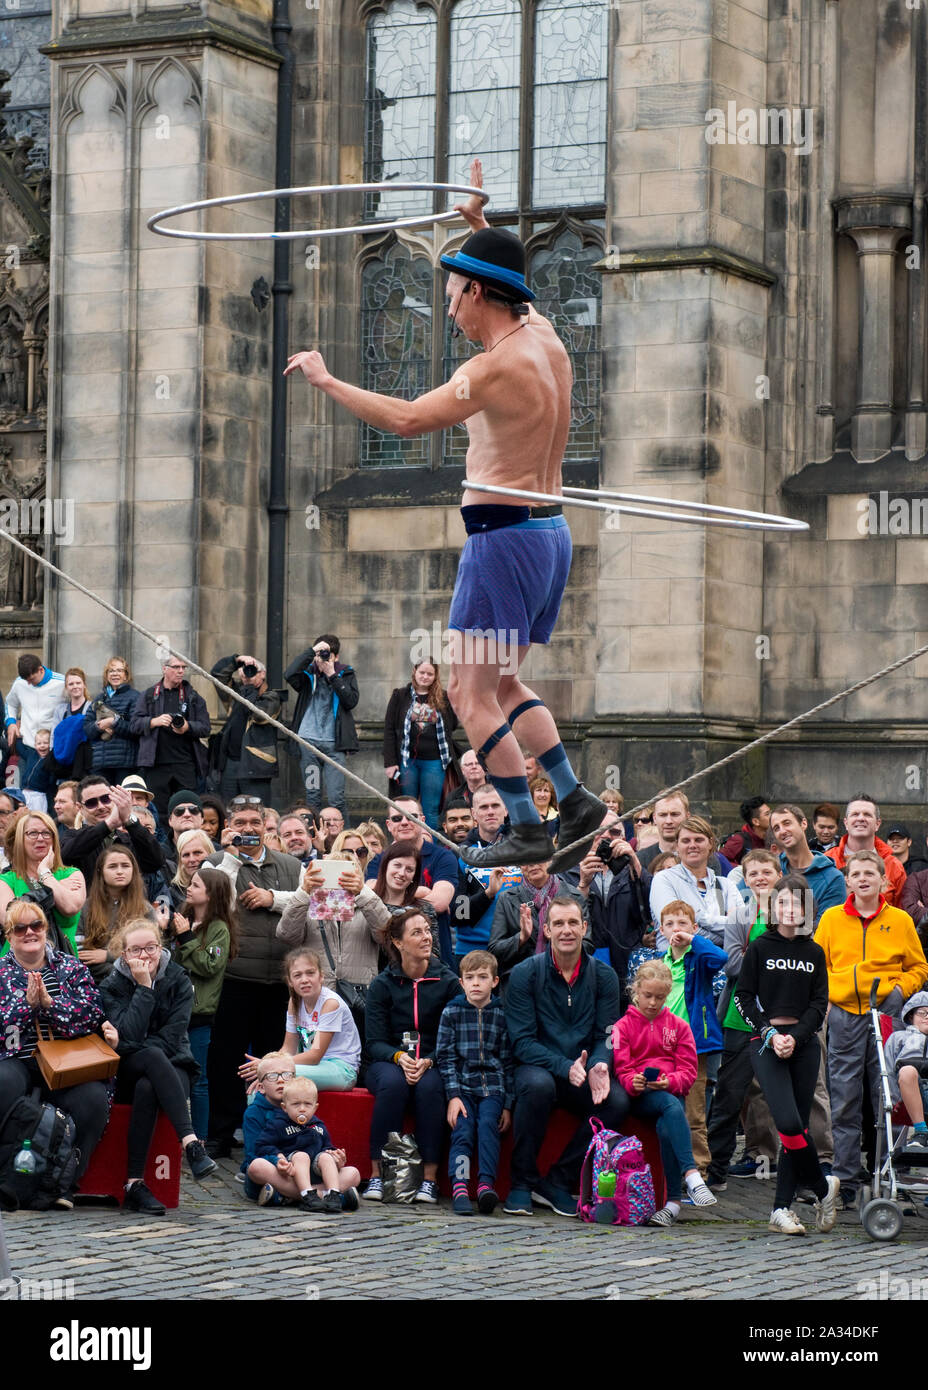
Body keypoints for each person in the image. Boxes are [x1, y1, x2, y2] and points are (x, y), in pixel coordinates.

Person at [285, 161, 608, 873]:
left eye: (455, 291)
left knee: (466, 689)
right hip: (548, 536)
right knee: (502, 683)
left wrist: (327, 378)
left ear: (478, 293)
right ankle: (575, 798)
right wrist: (481, 230)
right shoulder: (544, 338)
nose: (450, 305)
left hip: (504, 541)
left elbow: (405, 421)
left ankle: (526, 824)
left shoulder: (493, 368)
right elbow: (512, 283)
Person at [815, 848, 928, 1208]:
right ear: (847, 880)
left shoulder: (899, 920)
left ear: (883, 879)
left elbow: (919, 967)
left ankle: (888, 1172)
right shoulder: (831, 918)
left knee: (888, 1096)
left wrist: (899, 991)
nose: (863, 879)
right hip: (845, 1014)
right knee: (845, 1097)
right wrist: (830, 999)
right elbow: (818, 966)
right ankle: (846, 1177)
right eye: (856, 873)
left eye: (870, 873)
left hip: (887, 1014)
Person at [503, 896, 629, 1216]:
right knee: (537, 1086)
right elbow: (521, 1042)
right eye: (558, 923)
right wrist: (564, 1066)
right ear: (545, 930)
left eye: (573, 923)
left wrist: (601, 1063)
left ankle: (558, 1181)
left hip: (584, 1071)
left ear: (585, 927)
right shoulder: (524, 974)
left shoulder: (604, 976)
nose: (566, 930)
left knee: (616, 1101)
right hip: (539, 1067)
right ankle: (521, 1181)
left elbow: (608, 1034)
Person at [735, 874, 840, 1235]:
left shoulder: (814, 952)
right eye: (783, 902)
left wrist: (795, 1036)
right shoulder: (760, 947)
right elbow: (743, 996)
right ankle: (824, 1189)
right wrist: (769, 1033)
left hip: (805, 1044)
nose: (789, 909)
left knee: (798, 1126)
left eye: (797, 903)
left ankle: (781, 1209)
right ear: (772, 907)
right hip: (765, 1043)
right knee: (789, 1124)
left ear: (807, 909)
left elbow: (819, 1002)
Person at [203, 795, 301, 1156]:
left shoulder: (291, 865)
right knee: (226, 1059)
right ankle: (221, 1133)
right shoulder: (218, 862)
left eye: (254, 822)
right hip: (235, 976)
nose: (248, 829)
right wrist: (229, 857)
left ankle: (275, 1132)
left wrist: (272, 898)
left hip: (279, 981)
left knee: (274, 1061)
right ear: (230, 826)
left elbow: (309, 899)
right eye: (240, 823)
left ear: (265, 825)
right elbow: (214, 903)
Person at [100, 918, 218, 1213]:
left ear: (161, 947)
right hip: (127, 1068)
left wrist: (128, 1041)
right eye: (135, 950)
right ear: (124, 954)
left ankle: (134, 1184)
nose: (144, 956)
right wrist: (144, 988)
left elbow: (171, 1039)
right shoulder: (111, 985)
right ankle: (191, 1143)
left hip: (174, 1065)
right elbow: (123, 1037)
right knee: (149, 1061)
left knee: (149, 1084)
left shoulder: (179, 979)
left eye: (150, 947)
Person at [0, 897, 111, 1204]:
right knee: (3, 1083)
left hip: (67, 1060)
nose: (29, 932)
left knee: (93, 1099)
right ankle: (6, 1176)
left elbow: (91, 1014)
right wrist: (26, 1005)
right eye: (19, 928)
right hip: (15, 1058)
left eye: (36, 925)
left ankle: (61, 1185)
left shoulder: (71, 967)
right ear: (9, 936)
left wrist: (50, 1005)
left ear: (46, 929)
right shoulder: (1, 973)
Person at [363, 908, 462, 1203]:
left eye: (427, 931)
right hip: (388, 1061)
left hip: (433, 1059)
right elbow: (374, 1042)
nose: (426, 937)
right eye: (416, 932)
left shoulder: (448, 982)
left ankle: (429, 1179)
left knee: (431, 1087)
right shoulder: (382, 984)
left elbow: (454, 1035)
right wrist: (399, 1058)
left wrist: (429, 1059)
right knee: (393, 1085)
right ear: (398, 942)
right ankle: (377, 1175)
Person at [612, 959, 716, 1227]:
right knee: (671, 1106)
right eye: (648, 996)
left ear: (668, 995)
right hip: (641, 1098)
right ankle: (690, 1177)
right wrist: (632, 1082)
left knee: (668, 1120)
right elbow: (622, 1068)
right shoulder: (623, 1026)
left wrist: (668, 1082)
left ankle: (671, 1204)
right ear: (636, 990)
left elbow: (689, 1072)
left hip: (669, 1094)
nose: (653, 1003)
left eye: (660, 997)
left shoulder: (679, 1026)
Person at [436, 949, 514, 1215]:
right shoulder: (452, 1012)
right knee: (463, 1131)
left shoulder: (502, 1013)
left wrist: (508, 1103)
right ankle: (460, 1185)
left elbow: (508, 1060)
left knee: (488, 1128)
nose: (476, 983)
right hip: (463, 1087)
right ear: (461, 982)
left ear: (495, 981)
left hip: (493, 1088)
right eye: (470, 978)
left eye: (483, 977)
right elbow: (444, 1057)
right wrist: (453, 1096)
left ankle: (485, 1185)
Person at [659, 899, 727, 1176]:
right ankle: (669, 1163)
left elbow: (721, 959)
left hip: (693, 1046)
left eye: (683, 923)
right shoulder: (660, 964)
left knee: (695, 1110)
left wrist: (693, 940)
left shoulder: (699, 959)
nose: (677, 929)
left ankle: (698, 1168)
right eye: (670, 924)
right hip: (664, 1045)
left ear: (694, 928)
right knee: (668, 1105)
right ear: (661, 930)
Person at [170, 866, 238, 1139]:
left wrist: (186, 938)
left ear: (211, 895)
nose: (189, 887)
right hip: (174, 1010)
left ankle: (199, 1137)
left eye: (196, 885)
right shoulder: (183, 920)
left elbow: (210, 965)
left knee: (198, 1079)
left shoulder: (219, 928)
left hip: (198, 1014)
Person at [276, 855, 389, 1004]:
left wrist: (363, 892)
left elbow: (387, 935)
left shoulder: (367, 904)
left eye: (346, 875)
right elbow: (286, 935)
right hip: (316, 995)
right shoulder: (307, 905)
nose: (338, 882)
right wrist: (304, 892)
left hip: (359, 996)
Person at [365, 796, 457, 962]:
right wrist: (419, 892)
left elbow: (439, 902)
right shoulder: (377, 861)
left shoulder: (443, 857)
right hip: (384, 965)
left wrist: (394, 895)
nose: (404, 822)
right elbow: (371, 898)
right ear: (389, 825)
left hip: (433, 963)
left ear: (422, 821)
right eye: (397, 818)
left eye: (412, 816)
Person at [252, 1075, 360, 1213]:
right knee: (298, 1157)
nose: (302, 1109)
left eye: (307, 1104)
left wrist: (335, 1156)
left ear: (315, 1107)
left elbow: (327, 1147)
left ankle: (333, 1195)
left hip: (316, 1174)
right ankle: (309, 1195)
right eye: (296, 1104)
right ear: (285, 1107)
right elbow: (262, 1145)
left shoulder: (319, 1126)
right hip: (291, 1173)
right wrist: (279, 1158)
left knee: (353, 1173)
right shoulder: (278, 1124)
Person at [575, 819, 652, 1007]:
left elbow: (652, 909)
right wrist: (583, 884)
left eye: (614, 833)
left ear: (624, 839)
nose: (606, 838)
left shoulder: (634, 869)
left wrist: (635, 863)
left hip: (628, 961)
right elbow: (566, 914)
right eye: (599, 833)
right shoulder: (570, 870)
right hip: (587, 960)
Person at [650, 816, 753, 947]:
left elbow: (742, 928)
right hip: (678, 962)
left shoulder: (726, 885)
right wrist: (724, 936)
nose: (692, 845)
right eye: (686, 841)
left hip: (720, 963)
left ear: (710, 843)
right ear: (677, 846)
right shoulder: (664, 879)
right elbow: (676, 930)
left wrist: (700, 918)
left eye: (698, 840)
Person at [284, 635, 358, 817]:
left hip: (335, 745)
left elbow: (351, 701)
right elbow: (289, 674)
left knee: (336, 798)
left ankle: (343, 839)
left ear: (336, 657)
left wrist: (332, 674)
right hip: (308, 744)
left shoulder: (346, 673)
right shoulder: (308, 675)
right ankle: (314, 837)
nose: (324, 659)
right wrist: (312, 652)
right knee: (313, 795)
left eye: (328, 655)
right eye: (321, 654)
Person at [269, 946, 362, 1091]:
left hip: (341, 1069)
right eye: (297, 975)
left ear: (321, 976)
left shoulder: (330, 1004)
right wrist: (268, 1062)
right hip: (312, 1066)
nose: (304, 980)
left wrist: (272, 1065)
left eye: (310, 973)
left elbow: (314, 1055)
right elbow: (289, 1048)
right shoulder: (294, 1003)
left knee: (277, 1075)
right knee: (262, 1080)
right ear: (290, 982)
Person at [488, 858, 585, 993]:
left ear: (551, 860)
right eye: (525, 860)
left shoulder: (574, 896)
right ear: (520, 867)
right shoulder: (507, 898)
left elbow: (587, 945)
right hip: (520, 983)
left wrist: (560, 939)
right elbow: (494, 951)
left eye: (538, 858)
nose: (532, 864)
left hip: (566, 982)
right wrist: (521, 938)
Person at [383, 659, 459, 831]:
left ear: (435, 676)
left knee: (430, 808)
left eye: (430, 674)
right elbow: (389, 729)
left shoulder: (443, 697)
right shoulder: (400, 695)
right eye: (422, 672)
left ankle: (429, 844)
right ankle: (406, 841)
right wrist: (389, 762)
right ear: (414, 672)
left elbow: (452, 724)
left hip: (434, 761)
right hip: (406, 761)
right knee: (406, 808)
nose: (425, 677)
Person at [130, 658, 210, 817]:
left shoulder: (192, 696)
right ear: (164, 669)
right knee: (158, 812)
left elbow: (205, 727)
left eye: (183, 667)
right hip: (156, 764)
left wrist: (188, 727)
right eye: (176, 667)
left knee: (188, 810)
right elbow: (133, 725)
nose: (181, 671)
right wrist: (153, 721)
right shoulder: (149, 695)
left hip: (185, 763)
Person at [0, 810, 86, 953]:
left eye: (46, 833)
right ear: (20, 840)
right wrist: (49, 891)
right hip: (17, 966)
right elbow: (12, 919)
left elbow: (70, 907)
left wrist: (45, 873)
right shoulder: (6, 880)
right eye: (32, 833)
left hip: (63, 966)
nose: (40, 838)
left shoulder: (72, 874)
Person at [61, 776, 166, 886]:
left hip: (129, 902)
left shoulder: (128, 838)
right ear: (80, 808)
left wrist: (130, 821)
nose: (101, 806)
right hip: (91, 902)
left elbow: (157, 861)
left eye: (106, 799)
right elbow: (66, 855)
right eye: (91, 803)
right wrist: (108, 825)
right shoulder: (71, 837)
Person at [76, 846, 154, 984]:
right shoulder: (86, 907)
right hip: (96, 984)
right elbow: (83, 954)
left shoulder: (145, 909)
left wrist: (108, 956)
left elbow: (153, 954)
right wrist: (115, 971)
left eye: (125, 866)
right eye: (112, 866)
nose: (119, 871)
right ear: (101, 872)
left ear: (133, 870)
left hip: (136, 983)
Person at [210, 653, 281, 801]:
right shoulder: (237, 692)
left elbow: (257, 715)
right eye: (245, 670)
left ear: (262, 674)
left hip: (255, 766)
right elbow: (217, 674)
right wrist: (237, 660)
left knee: (256, 810)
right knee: (228, 809)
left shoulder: (272, 697)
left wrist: (248, 686)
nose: (247, 674)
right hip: (230, 763)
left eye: (253, 671)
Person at [768, 804, 848, 925]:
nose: (782, 831)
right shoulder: (769, 870)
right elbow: (757, 917)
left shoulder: (832, 878)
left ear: (803, 823)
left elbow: (824, 930)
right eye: (776, 828)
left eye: (787, 823)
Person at [825, 794, 907, 907]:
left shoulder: (894, 866)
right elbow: (809, 906)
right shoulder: (826, 861)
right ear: (846, 823)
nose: (860, 818)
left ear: (877, 824)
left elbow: (902, 913)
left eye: (867, 814)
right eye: (855, 814)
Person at [240, 1050, 295, 1205]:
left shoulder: (300, 1108)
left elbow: (316, 1137)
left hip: (298, 1169)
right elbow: (253, 1154)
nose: (281, 1081)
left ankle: (286, 1196)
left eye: (287, 1075)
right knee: (256, 1167)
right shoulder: (254, 1113)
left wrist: (328, 1154)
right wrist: (277, 1161)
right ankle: (315, 1194)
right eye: (272, 1076)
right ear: (261, 1087)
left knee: (352, 1174)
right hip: (270, 1170)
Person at [5, 653, 65, 784]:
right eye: (26, 679)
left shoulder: (62, 682)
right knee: (27, 785)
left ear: (41, 670)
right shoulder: (20, 683)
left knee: (47, 789)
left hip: (53, 747)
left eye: (31, 679)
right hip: (29, 744)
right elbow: (10, 703)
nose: (28, 683)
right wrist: (11, 723)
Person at [83, 657, 140, 786]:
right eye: (111, 671)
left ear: (126, 675)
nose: (115, 674)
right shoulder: (99, 698)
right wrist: (98, 726)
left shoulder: (135, 697)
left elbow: (135, 729)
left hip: (124, 763)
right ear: (106, 675)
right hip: (100, 762)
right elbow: (86, 728)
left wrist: (113, 722)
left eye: (119, 670)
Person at [883, 991, 928, 1143]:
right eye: (922, 1013)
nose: (927, 1016)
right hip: (910, 1091)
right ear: (911, 1016)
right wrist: (892, 1098)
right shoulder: (899, 1037)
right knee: (907, 1071)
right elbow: (887, 1070)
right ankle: (921, 1132)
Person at [169, 828, 215, 908]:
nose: (192, 859)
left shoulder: (225, 882)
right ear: (180, 860)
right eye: (186, 855)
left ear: (210, 853)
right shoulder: (174, 892)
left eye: (197, 853)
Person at [720, 798, 771, 866]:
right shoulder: (739, 840)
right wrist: (742, 869)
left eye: (771, 812)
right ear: (756, 822)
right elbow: (719, 859)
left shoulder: (775, 836)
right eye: (767, 814)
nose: (772, 816)